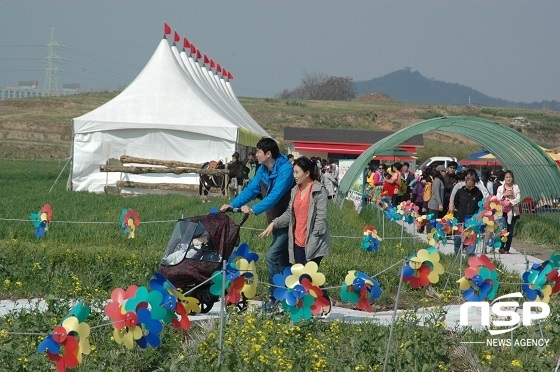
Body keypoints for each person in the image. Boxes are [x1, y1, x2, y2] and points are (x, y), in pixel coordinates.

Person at [220, 138, 295, 307]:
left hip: (288, 220)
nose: (256, 155)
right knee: (283, 262)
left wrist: (253, 209)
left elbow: (275, 195)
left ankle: (275, 298)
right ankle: (290, 298)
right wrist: (232, 205)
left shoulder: (285, 170)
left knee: (271, 257)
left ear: (268, 154)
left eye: (259, 151)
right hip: (274, 221)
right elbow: (251, 190)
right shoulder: (263, 169)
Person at [259, 156, 331, 267]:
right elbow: (289, 213)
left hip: (313, 242)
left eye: (297, 172)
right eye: (294, 172)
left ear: (307, 173)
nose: (294, 176)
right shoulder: (294, 190)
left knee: (307, 278)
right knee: (300, 278)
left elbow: (321, 218)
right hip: (297, 242)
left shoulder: (318, 191)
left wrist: (313, 239)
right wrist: (274, 223)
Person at [453, 174, 484, 256]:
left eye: (471, 187)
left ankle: (470, 254)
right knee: (458, 237)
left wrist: (477, 215)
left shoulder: (478, 193)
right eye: (468, 187)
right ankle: (457, 252)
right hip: (461, 217)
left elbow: (480, 205)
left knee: (472, 236)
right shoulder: (460, 191)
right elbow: (455, 202)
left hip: (472, 218)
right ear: (465, 184)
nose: (470, 188)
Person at [496, 170, 521, 254]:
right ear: (504, 178)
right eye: (507, 177)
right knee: (503, 228)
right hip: (503, 211)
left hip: (513, 211)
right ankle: (502, 246)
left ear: (512, 178)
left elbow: (518, 198)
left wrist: (510, 202)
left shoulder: (516, 187)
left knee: (510, 229)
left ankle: (507, 248)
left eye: (510, 177)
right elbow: (498, 198)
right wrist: (504, 195)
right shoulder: (501, 188)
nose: (508, 179)